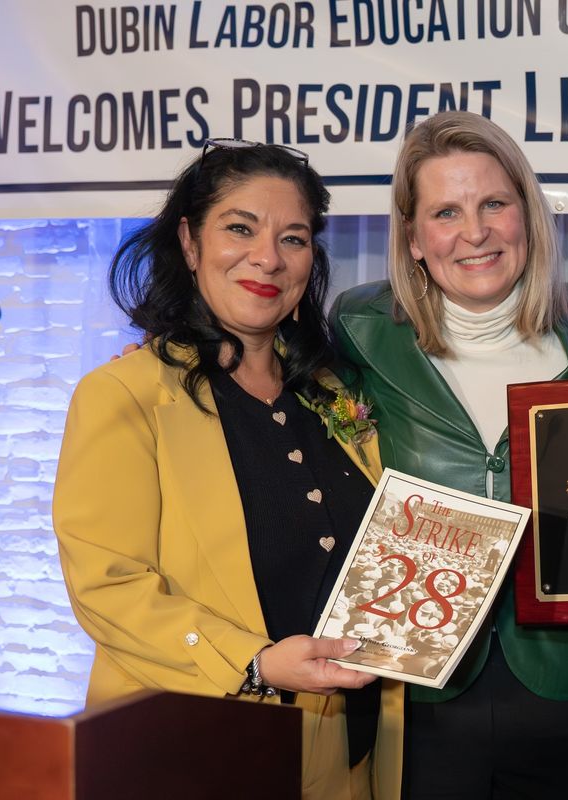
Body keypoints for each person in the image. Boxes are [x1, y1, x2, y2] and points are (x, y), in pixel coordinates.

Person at [52, 140, 403, 800]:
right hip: (193, 753)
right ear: (189, 242)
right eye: (240, 228)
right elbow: (107, 587)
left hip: (344, 759)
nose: (267, 257)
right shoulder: (124, 395)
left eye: (293, 238)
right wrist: (255, 662)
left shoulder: (334, 392)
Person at [329, 111, 568, 798]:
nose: (474, 232)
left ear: (527, 210)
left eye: (494, 202)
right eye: (445, 211)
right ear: (412, 237)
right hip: (420, 692)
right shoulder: (359, 328)